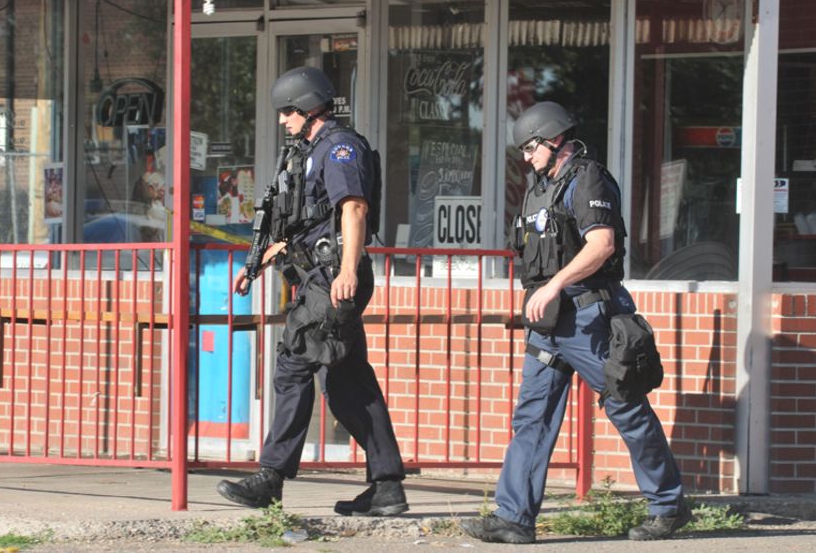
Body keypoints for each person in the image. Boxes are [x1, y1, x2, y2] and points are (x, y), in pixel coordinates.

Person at [460, 101, 690, 544]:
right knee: (533, 417)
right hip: (550, 324)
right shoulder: (539, 189)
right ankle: (514, 517)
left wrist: (555, 285)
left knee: (626, 408)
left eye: (530, 148)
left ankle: (668, 505)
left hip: (589, 317)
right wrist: (543, 293)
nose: (526, 158)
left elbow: (601, 244)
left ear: (554, 138)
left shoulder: (587, 178)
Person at [217, 66, 409, 517]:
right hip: (318, 273)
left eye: (288, 111)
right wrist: (258, 265)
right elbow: (307, 223)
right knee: (348, 385)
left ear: (308, 107)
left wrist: (346, 271)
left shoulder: (339, 147)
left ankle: (271, 476)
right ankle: (387, 485)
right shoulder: (308, 152)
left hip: (332, 278)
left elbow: (354, 208)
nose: (283, 120)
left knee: (293, 363)